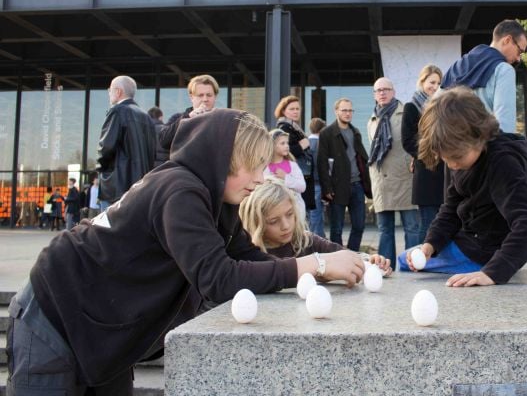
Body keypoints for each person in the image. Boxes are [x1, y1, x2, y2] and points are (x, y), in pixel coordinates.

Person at [5, 109, 365, 394]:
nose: (260, 179)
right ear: (224, 159)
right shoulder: (180, 190)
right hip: (54, 315)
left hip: (99, 332)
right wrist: (315, 265)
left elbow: (249, 259)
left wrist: (329, 265)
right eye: (253, 166)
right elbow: (218, 278)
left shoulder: (217, 199)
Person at [401, 87, 527, 286]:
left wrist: (493, 272)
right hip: (470, 240)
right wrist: (430, 244)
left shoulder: (502, 163)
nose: (451, 165)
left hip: (485, 250)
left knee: (403, 263)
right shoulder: (459, 154)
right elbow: (450, 208)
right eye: (445, 158)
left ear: (480, 135)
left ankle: (479, 267)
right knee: (411, 258)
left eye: (456, 157)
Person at [240, 176, 391, 275]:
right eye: (273, 221)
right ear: (256, 222)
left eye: (290, 214)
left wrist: (370, 261)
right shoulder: (248, 254)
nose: (285, 226)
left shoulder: (307, 241)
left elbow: (343, 255)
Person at [441, 19, 527, 133]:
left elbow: (433, 109)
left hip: (443, 144)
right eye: (519, 51)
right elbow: (505, 126)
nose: (518, 58)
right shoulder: (504, 70)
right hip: (476, 146)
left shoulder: (456, 66)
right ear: (507, 40)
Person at [368, 78, 419, 269]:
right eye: (378, 90)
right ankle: (385, 267)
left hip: (405, 177)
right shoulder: (372, 119)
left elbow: (416, 139)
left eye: (386, 89)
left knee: (411, 227)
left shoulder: (406, 112)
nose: (382, 93)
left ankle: (412, 265)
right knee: (384, 229)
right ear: (374, 94)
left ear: (393, 91)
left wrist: (415, 158)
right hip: (382, 180)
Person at [317, 98, 373, 252]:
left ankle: (353, 255)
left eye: (350, 110)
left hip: (357, 185)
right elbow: (322, 163)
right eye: (344, 110)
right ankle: (338, 258)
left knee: (359, 225)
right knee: (336, 229)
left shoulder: (355, 132)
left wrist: (367, 183)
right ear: (336, 111)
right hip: (337, 186)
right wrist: (326, 188)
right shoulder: (327, 133)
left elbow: (361, 157)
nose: (348, 113)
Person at [96, 75, 157, 205]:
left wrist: (101, 169)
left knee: (109, 224)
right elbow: (153, 153)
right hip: (141, 188)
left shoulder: (117, 112)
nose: (109, 93)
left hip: (117, 187)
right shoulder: (146, 117)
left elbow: (106, 148)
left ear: (118, 91)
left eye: (110, 90)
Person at [402, 64, 445, 243]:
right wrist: (428, 153)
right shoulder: (411, 107)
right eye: (431, 82)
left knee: (442, 222)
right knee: (427, 222)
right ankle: (419, 264)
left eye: (438, 83)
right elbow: (407, 140)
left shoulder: (442, 107)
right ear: (422, 81)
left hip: (444, 170)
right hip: (426, 171)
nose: (434, 87)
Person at [274, 95, 315, 212]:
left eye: (297, 109)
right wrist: (302, 145)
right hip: (292, 176)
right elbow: (284, 151)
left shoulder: (294, 127)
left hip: (298, 175)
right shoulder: (284, 128)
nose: (296, 111)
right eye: (292, 109)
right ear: (283, 111)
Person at [158, 74, 219, 150]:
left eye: (209, 95)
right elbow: (163, 141)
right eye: (200, 95)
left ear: (215, 97)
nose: (205, 99)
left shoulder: (222, 120)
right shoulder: (178, 118)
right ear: (191, 97)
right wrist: (187, 119)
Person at [264, 129, 306, 197]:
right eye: (282, 143)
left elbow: (302, 187)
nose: (287, 146)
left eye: (287, 143)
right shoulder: (265, 167)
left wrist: (285, 177)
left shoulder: (293, 165)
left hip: (294, 206)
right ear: (272, 145)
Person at [307, 117, 326, 237]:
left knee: (311, 214)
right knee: (317, 214)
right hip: (318, 182)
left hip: (308, 183)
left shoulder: (306, 143)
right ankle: (317, 239)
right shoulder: (320, 144)